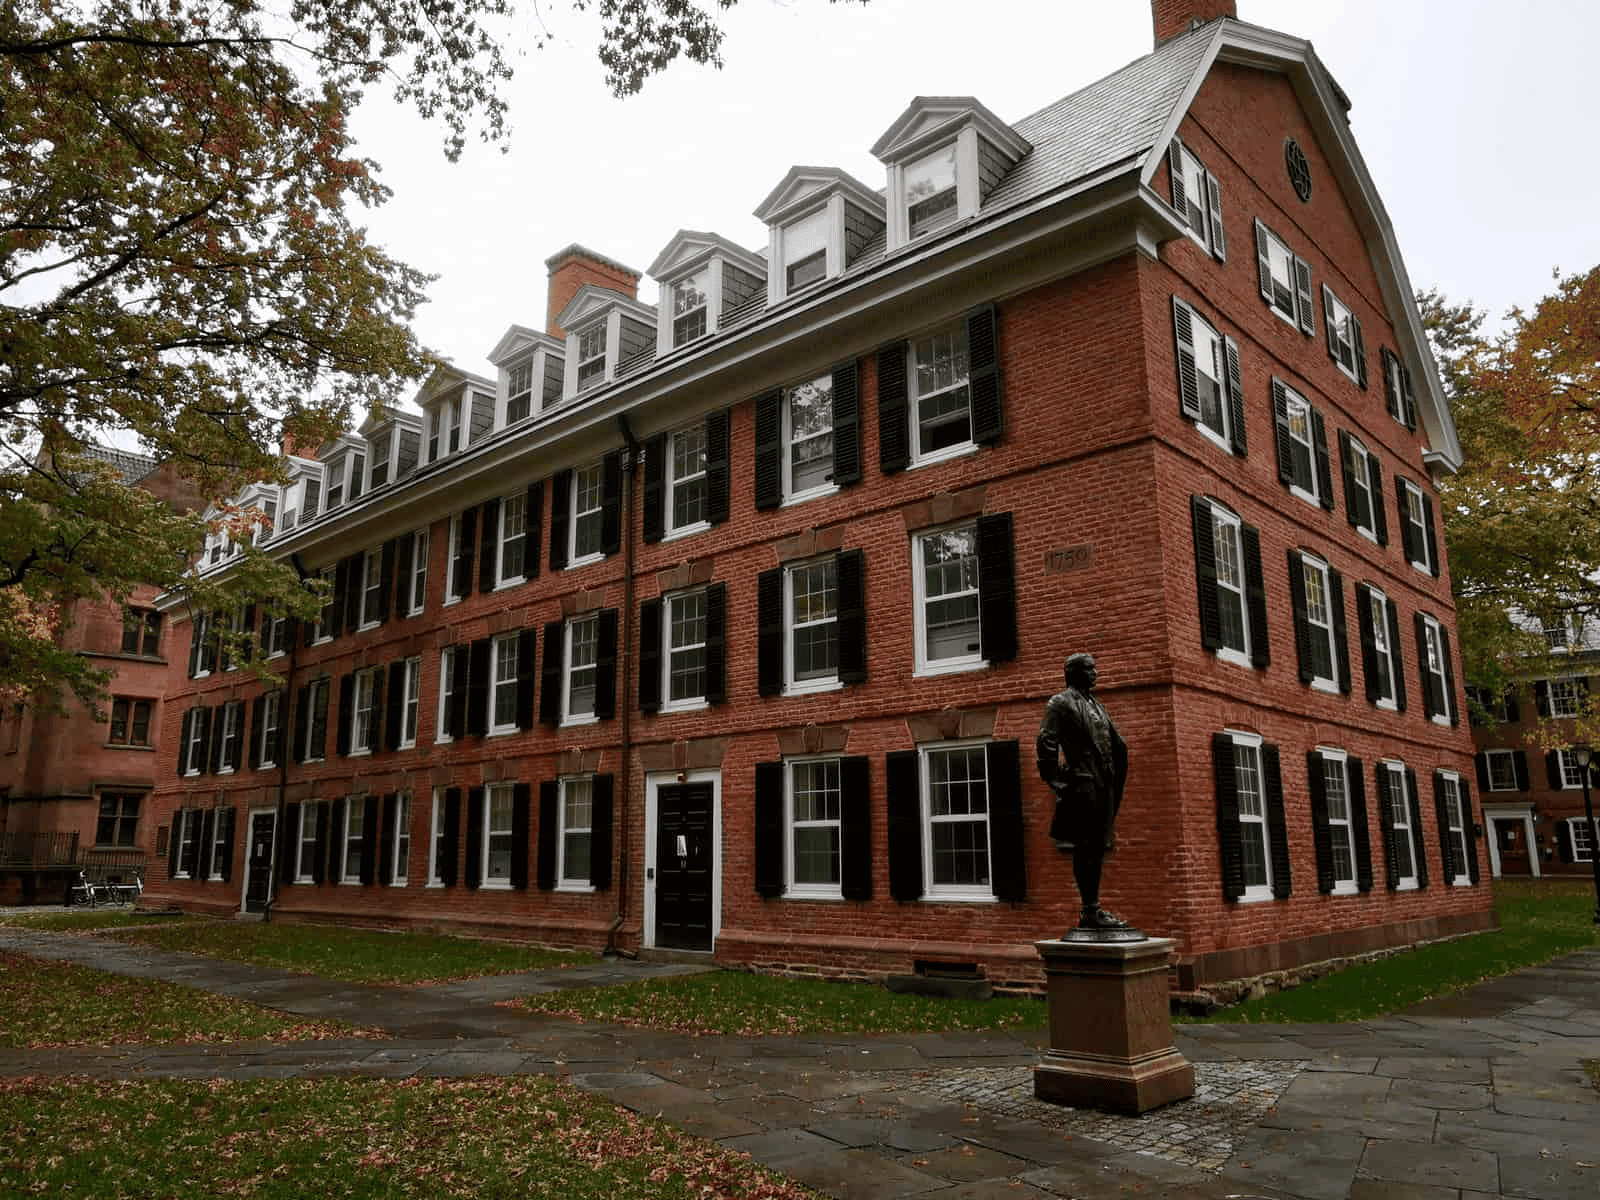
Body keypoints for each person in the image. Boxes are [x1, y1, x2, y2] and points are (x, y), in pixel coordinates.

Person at [1036, 653, 1131, 932]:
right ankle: (1090, 909)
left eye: (1095, 669)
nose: (1095, 673)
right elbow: (1046, 739)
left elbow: (1114, 744)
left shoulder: (1098, 705)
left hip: (1105, 782)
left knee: (1098, 846)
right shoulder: (1061, 702)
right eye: (1089, 669)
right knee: (1086, 846)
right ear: (1074, 672)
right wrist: (1053, 778)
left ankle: (1094, 908)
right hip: (1083, 781)